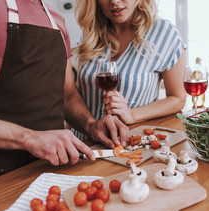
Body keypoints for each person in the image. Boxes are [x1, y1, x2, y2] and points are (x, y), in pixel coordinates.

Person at [0, 0, 128, 192]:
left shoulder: (56, 18)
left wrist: (91, 125)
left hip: (54, 174)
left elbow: (67, 95)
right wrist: (29, 139)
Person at [73, 0, 187, 140]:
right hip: (83, 145)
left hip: (131, 145)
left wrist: (131, 114)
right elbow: (77, 93)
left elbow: (177, 98)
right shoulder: (90, 32)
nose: (114, 1)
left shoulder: (164, 33)